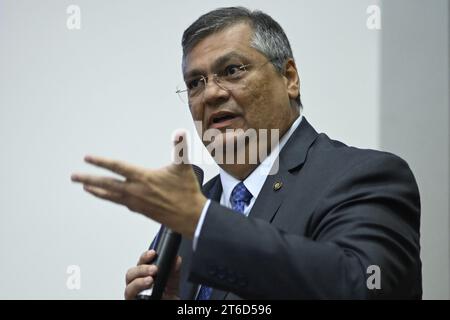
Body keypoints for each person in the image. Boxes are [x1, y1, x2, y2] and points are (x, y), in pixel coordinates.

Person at [71, 7, 421, 299]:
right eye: (195, 82)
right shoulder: (193, 207)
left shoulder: (364, 176)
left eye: (231, 71)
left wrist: (201, 220)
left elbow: (362, 287)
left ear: (289, 77)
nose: (210, 94)